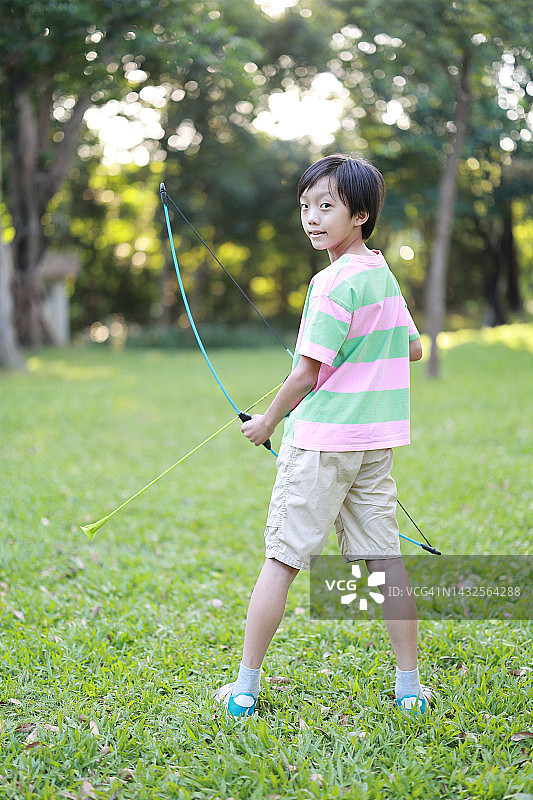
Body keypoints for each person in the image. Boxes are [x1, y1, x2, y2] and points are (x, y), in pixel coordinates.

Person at [214, 153, 430, 719]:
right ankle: (409, 688)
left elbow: (308, 373)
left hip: (319, 446)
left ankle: (243, 689)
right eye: (306, 206)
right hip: (373, 446)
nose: (311, 217)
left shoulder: (330, 282)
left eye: (326, 206)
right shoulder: (380, 274)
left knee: (282, 560)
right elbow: (412, 347)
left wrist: (266, 422)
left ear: (360, 213)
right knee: (387, 564)